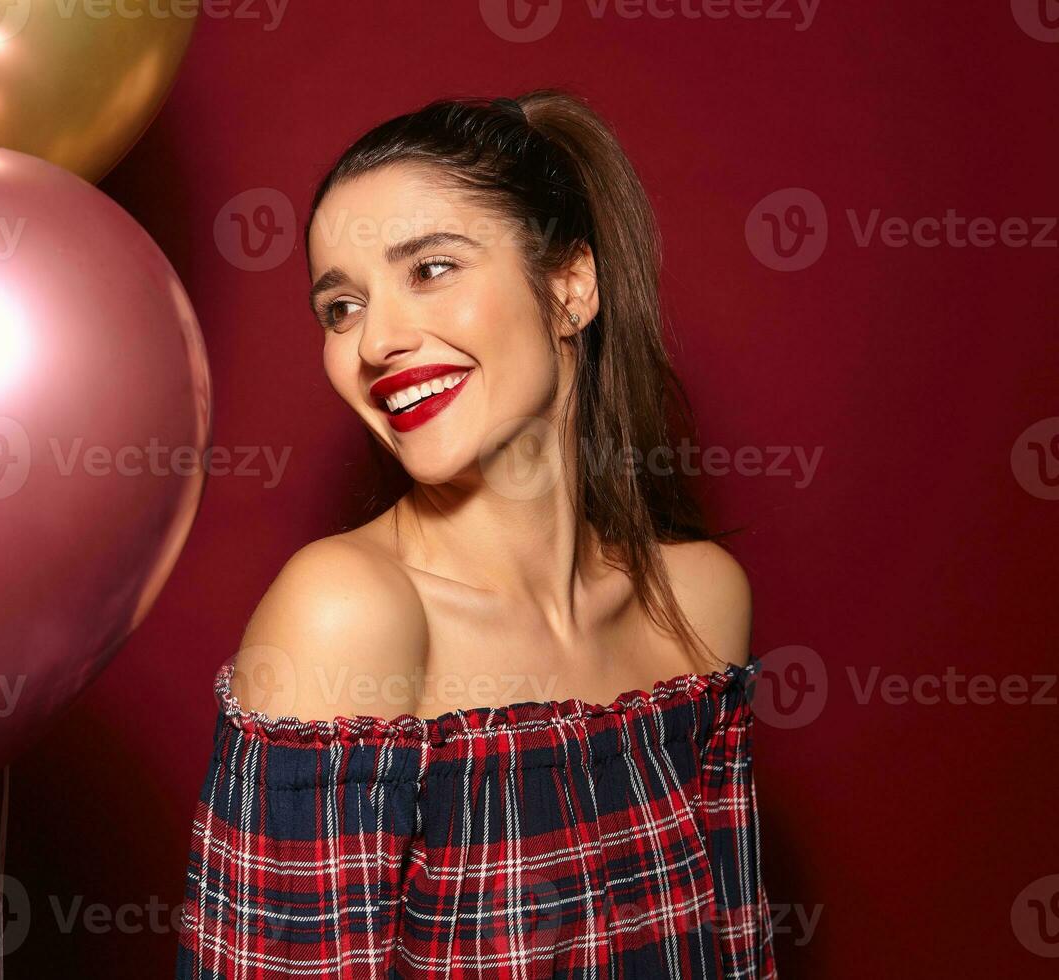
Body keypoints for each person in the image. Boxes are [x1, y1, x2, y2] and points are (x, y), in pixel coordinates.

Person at [175, 89, 777, 978]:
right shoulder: (347, 614)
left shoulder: (699, 605)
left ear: (571, 288)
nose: (375, 341)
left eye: (430, 268)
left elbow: (737, 956)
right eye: (340, 308)